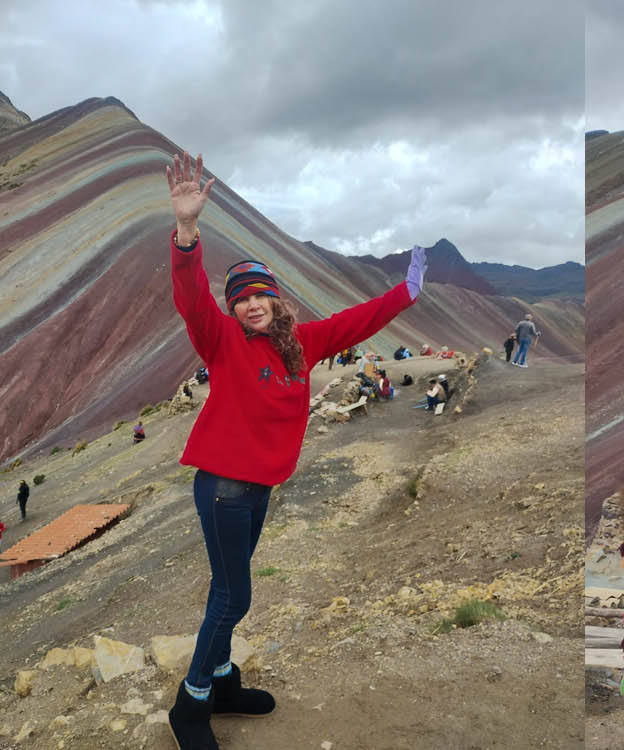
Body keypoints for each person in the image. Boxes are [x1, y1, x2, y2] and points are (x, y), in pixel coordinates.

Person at [163, 151, 426, 749]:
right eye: (241, 299)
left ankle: (225, 681)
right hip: (224, 487)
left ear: (277, 300)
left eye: (259, 296)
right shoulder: (223, 338)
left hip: (258, 488)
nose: (250, 305)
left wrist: (405, 293)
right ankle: (193, 702)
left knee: (227, 590)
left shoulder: (301, 343)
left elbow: (356, 323)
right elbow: (191, 300)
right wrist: (186, 231)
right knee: (235, 595)